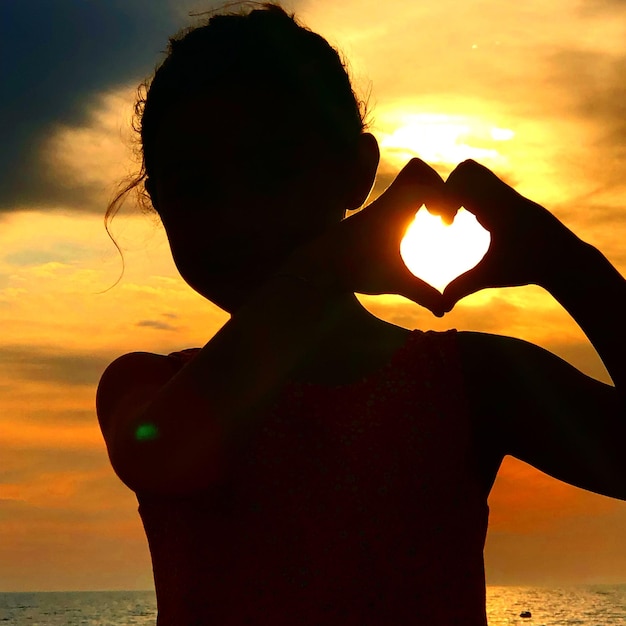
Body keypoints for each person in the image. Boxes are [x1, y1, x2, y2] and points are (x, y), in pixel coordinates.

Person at [96, 4, 626, 625]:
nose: (236, 215)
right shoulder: (148, 392)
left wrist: (565, 259)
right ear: (158, 201)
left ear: (357, 173)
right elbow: (172, 454)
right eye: (195, 186)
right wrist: (328, 266)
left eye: (273, 171)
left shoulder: (469, 381)